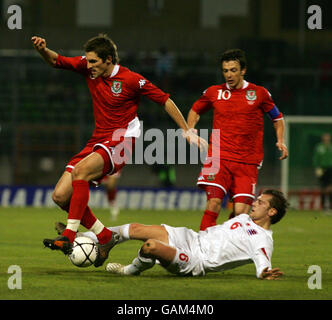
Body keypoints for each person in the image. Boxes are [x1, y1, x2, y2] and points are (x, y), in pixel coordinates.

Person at [32, 34, 207, 267]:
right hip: (98, 138)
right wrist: (43, 49)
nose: (89, 65)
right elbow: (57, 61)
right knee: (60, 196)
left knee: (81, 172)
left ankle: (69, 236)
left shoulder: (131, 79)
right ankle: (105, 236)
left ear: (108, 60)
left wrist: (186, 130)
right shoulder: (88, 68)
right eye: (89, 61)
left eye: (94, 62)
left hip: (122, 140)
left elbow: (165, 100)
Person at [74, 189, 286, 280]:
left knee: (150, 246)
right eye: (256, 199)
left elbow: (262, 259)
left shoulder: (263, 238)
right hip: (191, 238)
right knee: (137, 228)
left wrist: (263, 272)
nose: (255, 203)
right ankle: (87, 237)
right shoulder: (243, 218)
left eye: (261, 202)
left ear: (272, 212)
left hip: (196, 261)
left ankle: (129, 271)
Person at [186, 49, 289, 230]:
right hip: (218, 156)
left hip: (247, 160)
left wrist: (280, 140)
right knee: (213, 203)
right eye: (225, 71)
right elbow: (195, 110)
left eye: (233, 70)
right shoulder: (213, 92)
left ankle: (226, 244)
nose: (229, 75)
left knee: (241, 213)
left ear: (243, 70)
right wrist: (191, 129)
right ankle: (202, 248)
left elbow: (277, 119)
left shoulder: (259, 93)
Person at [313, 132, 332, 210]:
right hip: (322, 169)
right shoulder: (319, 147)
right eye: (325, 137)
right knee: (323, 188)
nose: (327, 138)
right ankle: (324, 207)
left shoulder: (331, 146)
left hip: (331, 169)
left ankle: (331, 207)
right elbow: (316, 158)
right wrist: (317, 168)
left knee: (330, 188)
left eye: (328, 137)